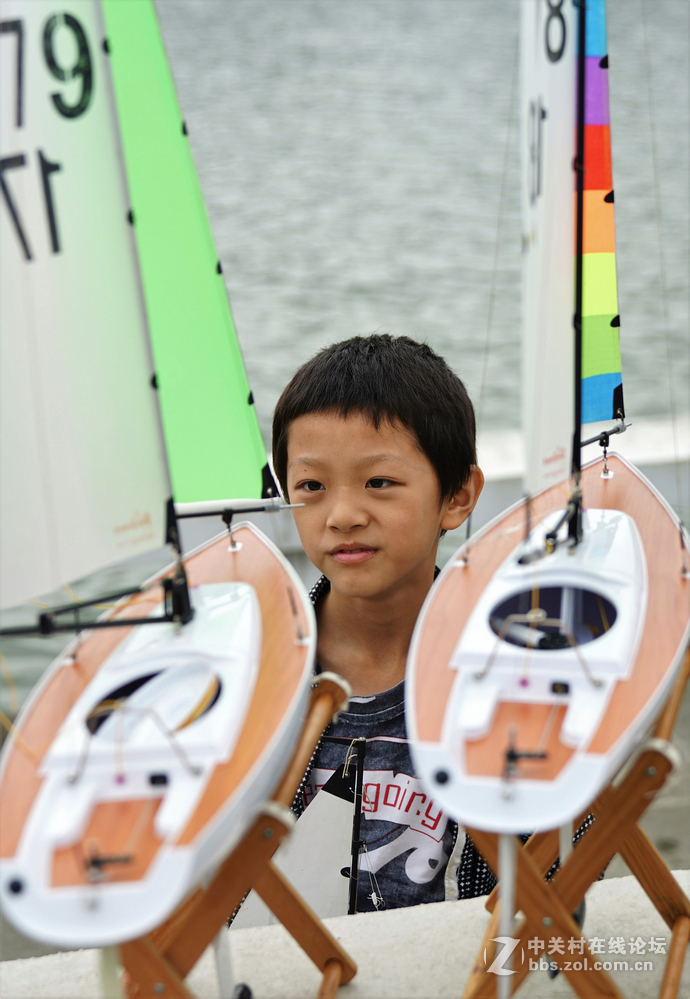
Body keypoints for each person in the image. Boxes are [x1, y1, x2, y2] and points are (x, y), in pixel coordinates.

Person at [271, 333, 502, 912]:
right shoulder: (257, 670)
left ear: (457, 496)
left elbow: (563, 862)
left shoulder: (507, 672)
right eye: (311, 486)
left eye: (379, 482)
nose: (342, 515)